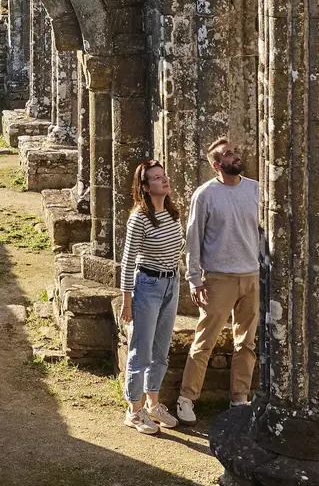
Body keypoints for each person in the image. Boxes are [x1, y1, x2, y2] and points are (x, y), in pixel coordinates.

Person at [174, 136, 260, 424]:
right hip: (218, 278)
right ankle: (187, 398)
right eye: (227, 154)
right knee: (205, 341)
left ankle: (239, 398)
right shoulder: (205, 194)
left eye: (234, 151)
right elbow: (193, 239)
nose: (234, 156)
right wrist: (194, 280)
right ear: (216, 165)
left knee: (246, 343)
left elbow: (264, 231)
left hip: (251, 276)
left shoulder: (255, 190)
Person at [119, 159, 185, 435]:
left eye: (164, 176)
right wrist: (127, 300)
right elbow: (128, 260)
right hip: (147, 285)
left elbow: (178, 248)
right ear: (145, 187)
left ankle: (153, 404)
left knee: (161, 350)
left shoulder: (171, 212)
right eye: (157, 179)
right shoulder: (139, 218)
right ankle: (133, 412)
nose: (164, 180)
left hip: (171, 282)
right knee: (141, 351)